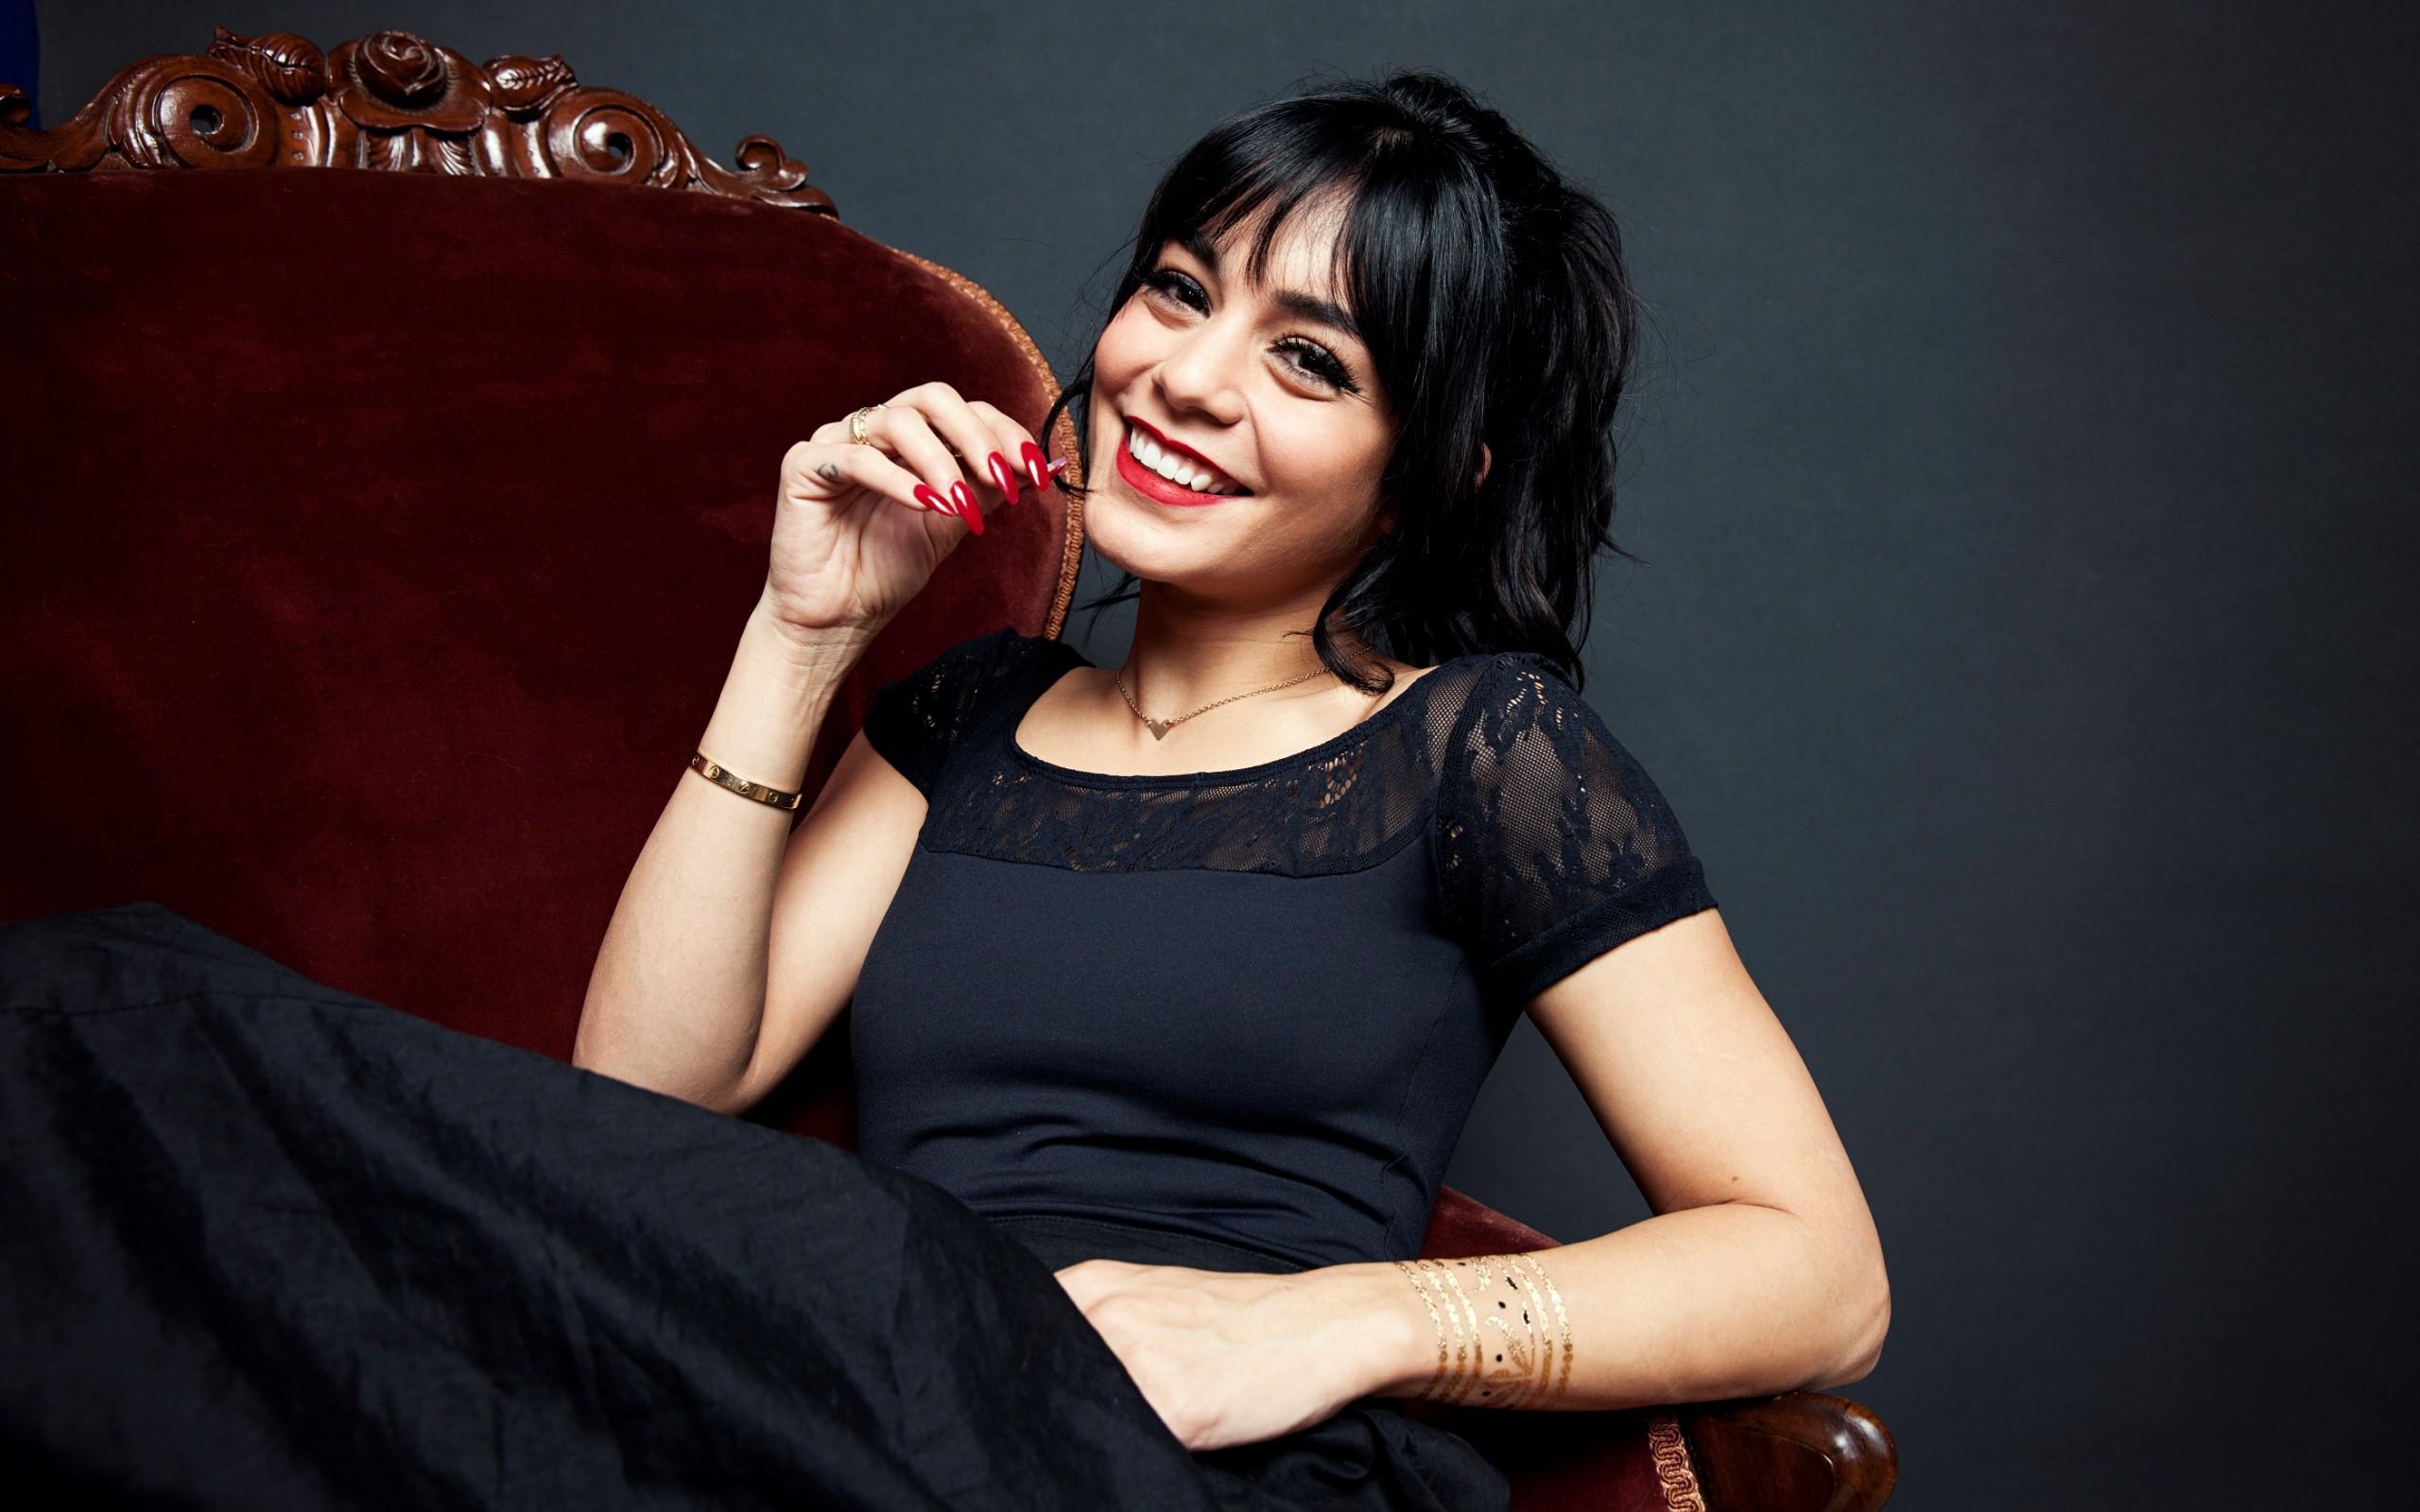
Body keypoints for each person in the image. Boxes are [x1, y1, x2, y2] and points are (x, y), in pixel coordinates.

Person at [0, 68, 1888, 1509]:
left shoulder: (1481, 752)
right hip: (846, 1401)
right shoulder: (974, 711)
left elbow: (1816, 1272)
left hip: (1176, 1454)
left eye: (1307, 359)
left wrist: (1329, 1321)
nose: (1183, 377)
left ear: (1433, 470)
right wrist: (804, 628)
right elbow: (638, 1109)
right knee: (97, 1014)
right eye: (1175, 290)